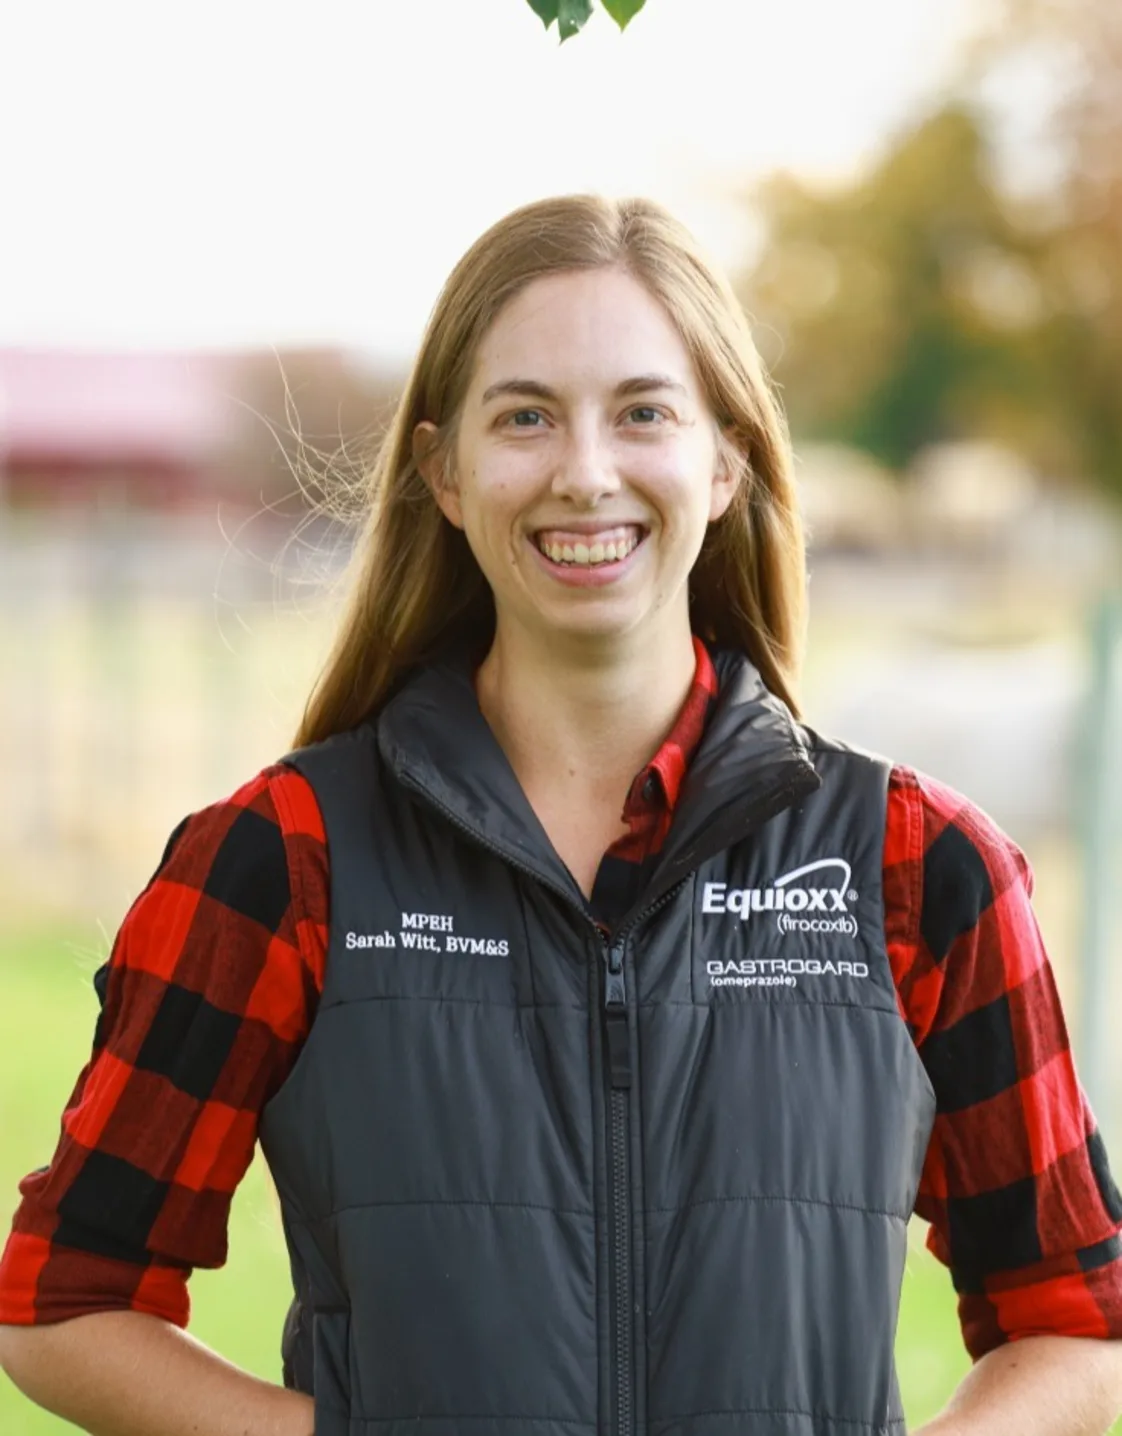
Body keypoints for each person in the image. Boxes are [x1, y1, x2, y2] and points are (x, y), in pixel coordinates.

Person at [1, 194, 1121, 1436]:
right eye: (525, 416)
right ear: (444, 468)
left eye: (643, 411)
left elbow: (1079, 1318)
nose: (586, 473)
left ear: (724, 456)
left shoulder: (921, 866)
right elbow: (61, 1300)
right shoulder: (286, 860)